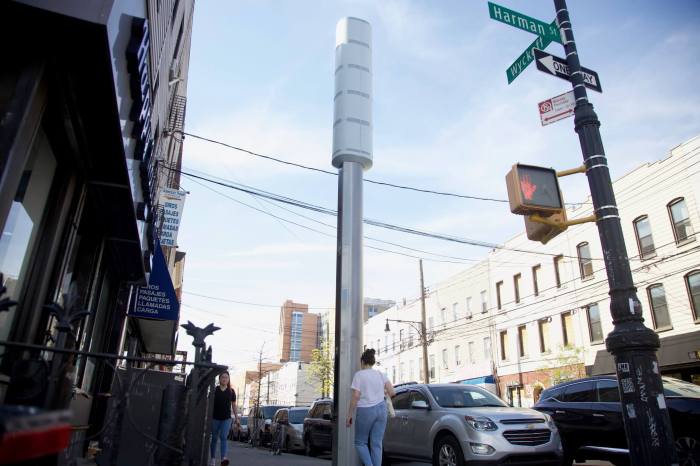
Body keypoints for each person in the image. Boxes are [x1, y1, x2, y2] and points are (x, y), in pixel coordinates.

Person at [346, 349, 395, 466]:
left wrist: (349, 415)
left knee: (360, 442)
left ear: (362, 362)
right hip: (381, 409)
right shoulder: (380, 374)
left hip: (366, 411)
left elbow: (356, 396)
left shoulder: (359, 375)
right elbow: (392, 392)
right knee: (376, 443)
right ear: (372, 362)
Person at [210, 371, 238, 466]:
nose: (225, 379)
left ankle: (223, 459)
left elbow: (234, 406)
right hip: (215, 418)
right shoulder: (214, 390)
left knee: (223, 438)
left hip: (226, 418)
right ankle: (213, 459)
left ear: (228, 379)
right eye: (223, 377)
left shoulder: (231, 391)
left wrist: (237, 418)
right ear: (219, 379)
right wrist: (206, 416)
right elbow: (209, 404)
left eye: (226, 377)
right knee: (214, 438)